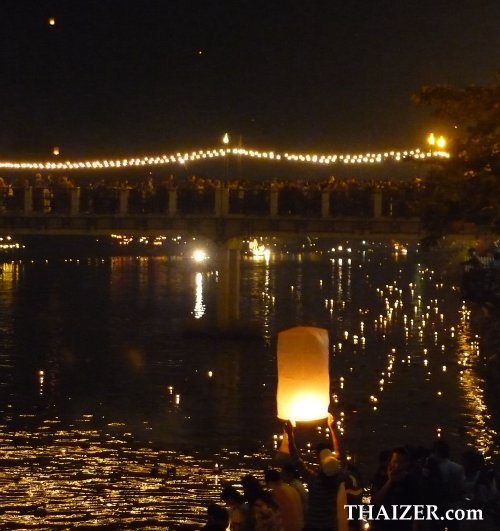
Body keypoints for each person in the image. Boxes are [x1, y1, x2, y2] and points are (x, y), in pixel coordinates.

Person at [284, 413, 347, 531]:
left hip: (313, 527)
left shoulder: (313, 480)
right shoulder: (337, 480)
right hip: (330, 528)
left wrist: (290, 434)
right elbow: (341, 455)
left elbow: (296, 459)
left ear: (320, 465)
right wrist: (332, 428)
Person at [370, 446, 422, 530]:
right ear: (390, 462)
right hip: (382, 525)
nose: (397, 466)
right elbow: (375, 501)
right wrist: (390, 481)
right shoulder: (381, 477)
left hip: (403, 525)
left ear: (406, 464)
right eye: (395, 462)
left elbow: (416, 507)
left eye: (401, 462)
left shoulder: (412, 480)